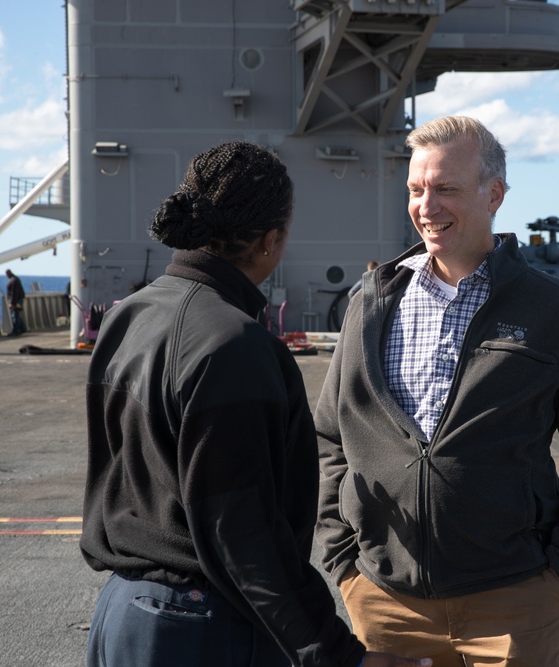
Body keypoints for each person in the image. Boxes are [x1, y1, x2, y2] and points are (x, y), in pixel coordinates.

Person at [80, 141, 431, 667]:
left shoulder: (127, 316)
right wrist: (339, 657)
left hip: (120, 613)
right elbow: (241, 534)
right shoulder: (235, 345)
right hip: (200, 628)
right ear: (272, 239)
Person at [315, 117, 559, 667]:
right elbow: (330, 435)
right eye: (416, 190)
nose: (427, 206)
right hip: (384, 602)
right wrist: (341, 559)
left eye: (446, 189)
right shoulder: (370, 303)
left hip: (512, 601)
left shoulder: (558, 312)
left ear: (494, 195)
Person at [5, 269, 27, 335]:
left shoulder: (13, 280)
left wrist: (12, 303)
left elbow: (15, 292)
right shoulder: (15, 279)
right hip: (18, 299)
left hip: (16, 300)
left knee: (14, 315)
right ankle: (22, 329)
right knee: (16, 314)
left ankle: (16, 331)